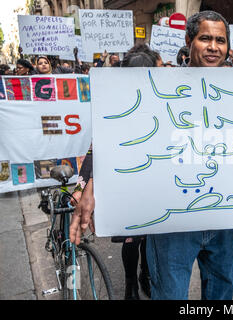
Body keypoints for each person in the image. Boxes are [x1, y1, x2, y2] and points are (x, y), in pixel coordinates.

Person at [70, 10, 233, 300]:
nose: (214, 47)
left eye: (220, 40)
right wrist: (90, 185)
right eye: (205, 38)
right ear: (189, 41)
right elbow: (121, 137)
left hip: (222, 217)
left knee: (222, 291)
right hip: (172, 224)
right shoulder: (158, 84)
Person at [71, 44, 163, 300]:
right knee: (132, 237)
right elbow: (96, 147)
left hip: (155, 180)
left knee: (150, 234)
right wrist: (81, 187)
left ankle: (145, 274)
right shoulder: (114, 105)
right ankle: (131, 283)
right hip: (127, 181)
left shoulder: (164, 99)